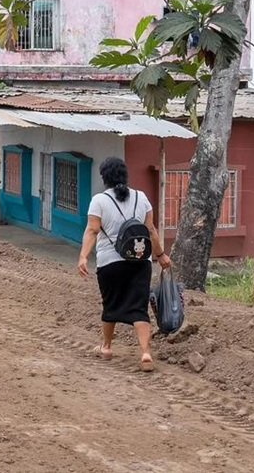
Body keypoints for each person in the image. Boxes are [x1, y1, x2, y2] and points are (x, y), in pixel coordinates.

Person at [77, 157, 171, 371]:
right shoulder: (142, 198)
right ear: (124, 175)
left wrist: (83, 256)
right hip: (140, 262)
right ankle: (146, 353)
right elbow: (151, 230)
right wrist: (161, 255)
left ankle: (107, 347)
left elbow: (92, 230)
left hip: (110, 263)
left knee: (111, 304)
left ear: (105, 178)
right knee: (139, 308)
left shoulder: (99, 201)